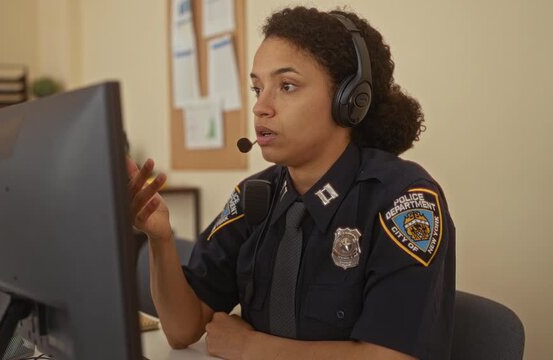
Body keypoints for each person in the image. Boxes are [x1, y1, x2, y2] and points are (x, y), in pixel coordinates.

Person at [127, 6, 455, 360]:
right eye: (257, 89)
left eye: (286, 86)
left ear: (349, 102)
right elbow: (181, 330)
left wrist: (254, 348)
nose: (261, 108)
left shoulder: (403, 199)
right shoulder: (255, 197)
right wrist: (159, 238)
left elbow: (393, 357)